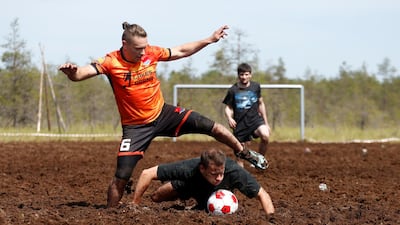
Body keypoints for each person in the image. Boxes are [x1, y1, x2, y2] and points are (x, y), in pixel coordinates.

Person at [59, 22, 267, 208]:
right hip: (136, 127)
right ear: (124, 43)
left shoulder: (151, 52)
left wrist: (209, 40)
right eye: (138, 48)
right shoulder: (111, 61)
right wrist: (72, 73)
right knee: (121, 176)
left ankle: (244, 152)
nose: (143, 52)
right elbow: (82, 73)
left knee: (214, 127)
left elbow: (182, 51)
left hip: (164, 113)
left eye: (145, 47)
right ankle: (110, 214)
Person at [131, 148, 275, 221]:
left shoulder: (234, 172)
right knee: (156, 197)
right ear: (202, 168)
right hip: (188, 186)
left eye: (221, 173)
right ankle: (182, 195)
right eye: (214, 174)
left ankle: (199, 205)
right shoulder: (188, 168)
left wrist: (271, 218)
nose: (219, 177)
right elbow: (146, 173)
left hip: (212, 196)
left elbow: (262, 194)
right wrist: (134, 206)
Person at [222, 63, 271, 168]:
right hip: (240, 124)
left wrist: (266, 123)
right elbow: (228, 108)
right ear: (238, 75)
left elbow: (261, 103)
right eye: (241, 74)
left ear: (250, 75)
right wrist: (229, 118)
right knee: (240, 153)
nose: (244, 77)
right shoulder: (233, 90)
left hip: (255, 120)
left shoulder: (256, 87)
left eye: (246, 74)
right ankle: (241, 175)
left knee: (265, 135)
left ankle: (259, 160)